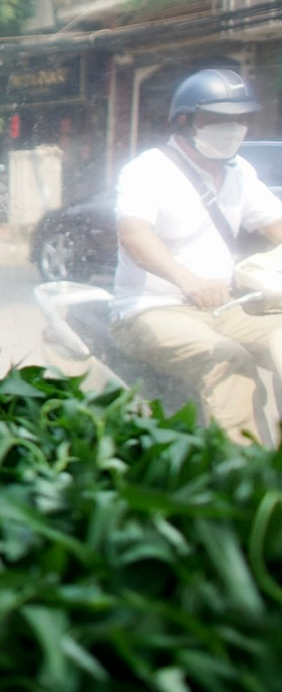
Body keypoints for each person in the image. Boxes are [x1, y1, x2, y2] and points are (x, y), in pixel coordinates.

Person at [109, 67, 282, 446]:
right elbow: (135, 236)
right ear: (186, 120)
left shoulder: (239, 173)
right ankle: (250, 482)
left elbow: (276, 224)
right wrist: (189, 280)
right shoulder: (148, 170)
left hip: (224, 307)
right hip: (152, 309)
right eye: (220, 119)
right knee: (228, 359)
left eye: (240, 119)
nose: (233, 128)